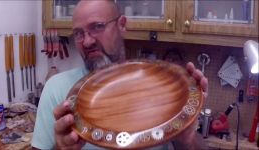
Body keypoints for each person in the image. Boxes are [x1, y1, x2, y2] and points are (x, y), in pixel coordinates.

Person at [31, 0, 209, 149]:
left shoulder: (161, 83)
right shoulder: (57, 90)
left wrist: (187, 138)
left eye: (98, 27)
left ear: (122, 25)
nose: (87, 41)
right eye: (78, 33)